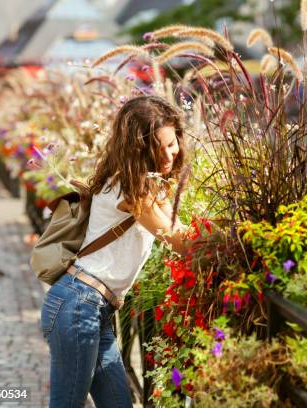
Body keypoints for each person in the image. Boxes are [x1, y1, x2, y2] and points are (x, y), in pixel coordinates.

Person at [39, 95, 190, 407]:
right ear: (137, 148)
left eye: (172, 144)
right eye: (157, 147)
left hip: (94, 308)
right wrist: (235, 237)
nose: (167, 155)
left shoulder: (143, 184)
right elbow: (177, 239)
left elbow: (180, 228)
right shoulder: (130, 189)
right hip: (80, 304)